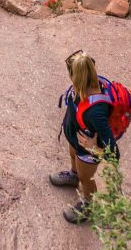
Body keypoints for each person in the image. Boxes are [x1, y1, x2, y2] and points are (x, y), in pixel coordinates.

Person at [50, 50, 119, 224]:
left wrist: (92, 147)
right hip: (75, 140)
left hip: (88, 151)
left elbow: (114, 155)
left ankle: (88, 206)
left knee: (86, 179)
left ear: (77, 77)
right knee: (73, 157)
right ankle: (73, 176)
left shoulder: (97, 112)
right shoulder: (82, 87)